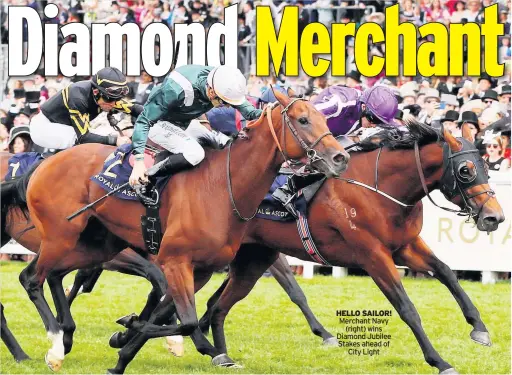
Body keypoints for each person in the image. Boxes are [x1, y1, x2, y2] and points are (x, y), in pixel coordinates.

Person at [129, 64, 262, 187]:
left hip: (185, 123)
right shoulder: (176, 89)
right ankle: (147, 177)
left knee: (226, 143)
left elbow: (250, 112)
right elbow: (143, 121)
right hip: (159, 124)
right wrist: (139, 162)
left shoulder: (222, 82)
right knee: (195, 154)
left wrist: (273, 111)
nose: (227, 106)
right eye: (224, 102)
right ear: (211, 91)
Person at [29, 67, 137, 151]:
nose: (113, 104)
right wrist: (115, 141)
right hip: (44, 128)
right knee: (85, 140)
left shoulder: (105, 97)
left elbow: (135, 109)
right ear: (96, 92)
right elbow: (83, 138)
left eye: (117, 99)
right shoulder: (78, 97)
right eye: (110, 99)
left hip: (65, 127)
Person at [310, 85, 399, 142]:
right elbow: (305, 116)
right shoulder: (340, 103)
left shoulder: (368, 111)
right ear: (364, 107)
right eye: (374, 120)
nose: (374, 125)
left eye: (380, 122)